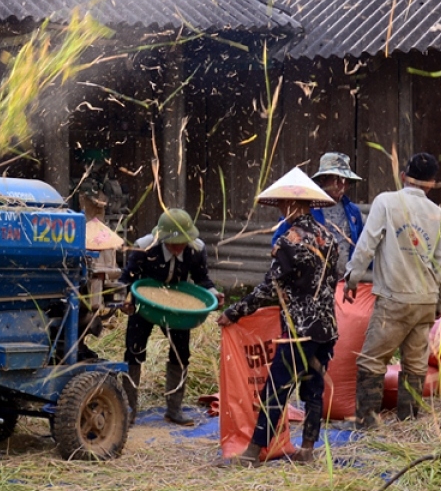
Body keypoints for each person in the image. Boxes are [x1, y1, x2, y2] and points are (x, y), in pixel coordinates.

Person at [217, 167, 339, 466]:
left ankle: (252, 452)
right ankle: (307, 449)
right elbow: (331, 282)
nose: (283, 209)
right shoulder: (328, 237)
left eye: (285, 204)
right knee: (313, 387)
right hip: (326, 327)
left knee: (276, 388)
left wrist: (235, 311)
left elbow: (270, 288)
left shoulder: (290, 240)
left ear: (290, 204)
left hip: (299, 330)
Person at [345, 152, 441, 427]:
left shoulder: (386, 202)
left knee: (372, 361)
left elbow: (367, 244)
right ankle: (409, 421)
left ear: (404, 176)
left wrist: (352, 278)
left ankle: (366, 423)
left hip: (394, 299)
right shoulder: (438, 215)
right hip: (425, 301)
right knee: (416, 364)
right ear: (432, 183)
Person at [120, 208, 218, 426]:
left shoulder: (196, 249)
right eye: (173, 244)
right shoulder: (145, 246)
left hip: (177, 307)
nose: (177, 249)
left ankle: (174, 409)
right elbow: (127, 278)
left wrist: (215, 295)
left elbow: (203, 279)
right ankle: (128, 410)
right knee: (134, 352)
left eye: (182, 243)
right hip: (144, 303)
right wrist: (125, 300)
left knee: (181, 354)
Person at [272, 152, 364, 276]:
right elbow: (279, 242)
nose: (341, 185)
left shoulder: (353, 212)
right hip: (310, 279)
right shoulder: (305, 207)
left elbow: (362, 247)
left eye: (345, 180)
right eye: (336, 179)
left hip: (343, 280)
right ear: (323, 179)